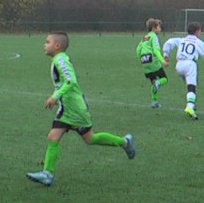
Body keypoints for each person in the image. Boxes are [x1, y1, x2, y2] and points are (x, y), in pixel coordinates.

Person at [26, 31, 135, 186]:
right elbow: (62, 83)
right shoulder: (58, 59)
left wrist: (55, 97)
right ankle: (47, 174)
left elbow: (71, 81)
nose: (44, 45)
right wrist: (56, 97)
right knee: (54, 137)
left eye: (47, 42)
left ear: (57, 46)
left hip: (75, 109)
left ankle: (124, 142)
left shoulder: (60, 60)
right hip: (67, 109)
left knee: (90, 138)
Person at [171, 22, 204, 119]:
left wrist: (165, 53)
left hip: (178, 65)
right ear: (196, 31)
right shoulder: (197, 41)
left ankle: (191, 104)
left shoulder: (182, 40)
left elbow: (169, 42)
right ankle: (190, 107)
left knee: (188, 85)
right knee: (192, 87)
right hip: (189, 64)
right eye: (200, 31)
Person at [136, 18, 169, 108]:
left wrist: (142, 60)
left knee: (153, 82)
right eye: (159, 27)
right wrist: (163, 61)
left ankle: (154, 102)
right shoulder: (154, 37)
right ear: (154, 28)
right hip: (153, 61)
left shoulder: (144, 38)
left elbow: (138, 50)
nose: (160, 29)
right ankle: (157, 83)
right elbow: (156, 51)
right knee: (164, 79)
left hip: (144, 62)